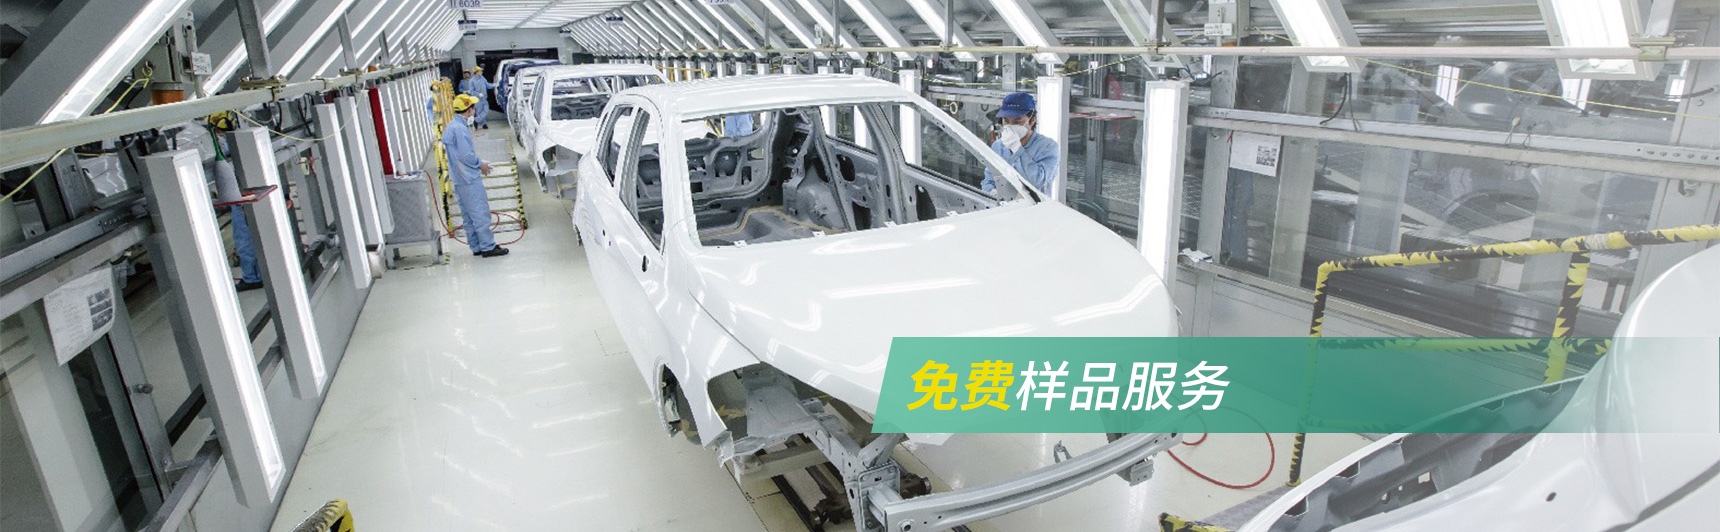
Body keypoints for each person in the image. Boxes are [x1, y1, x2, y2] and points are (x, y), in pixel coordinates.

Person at [207, 111, 265, 291]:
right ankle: (257, 273)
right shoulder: (237, 135)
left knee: (244, 235)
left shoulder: (222, 143)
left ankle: (253, 277)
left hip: (239, 192)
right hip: (246, 187)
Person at [444, 94, 508, 257]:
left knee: (468, 216)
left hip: (458, 179)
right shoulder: (460, 129)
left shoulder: (451, 126)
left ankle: (476, 246)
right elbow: (466, 155)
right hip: (469, 179)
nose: (474, 110)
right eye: (472, 107)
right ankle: (487, 247)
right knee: (480, 213)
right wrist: (480, 164)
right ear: (468, 110)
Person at [980, 92, 1059, 196]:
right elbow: (988, 180)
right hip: (1003, 205)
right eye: (1006, 121)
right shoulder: (998, 146)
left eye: (1017, 122)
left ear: (1032, 119)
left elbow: (1036, 182)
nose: (1010, 126)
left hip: (1035, 206)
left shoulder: (1048, 147)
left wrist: (1017, 149)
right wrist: (991, 193)